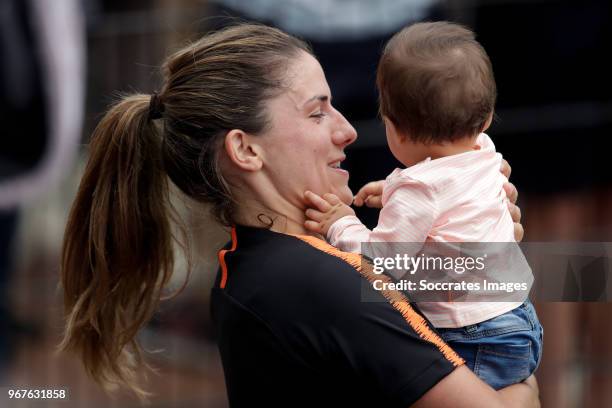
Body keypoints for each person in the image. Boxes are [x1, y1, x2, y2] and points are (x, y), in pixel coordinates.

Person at [59, 23, 538, 406]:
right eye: (318, 113)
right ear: (245, 149)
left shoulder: (257, 264)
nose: (348, 131)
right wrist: (525, 380)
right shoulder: (321, 283)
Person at [302, 21, 543, 390]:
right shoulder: (484, 149)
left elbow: (381, 261)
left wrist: (341, 222)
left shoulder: (420, 191)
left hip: (471, 335)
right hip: (519, 320)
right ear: (487, 118)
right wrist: (393, 191)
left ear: (395, 129)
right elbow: (452, 190)